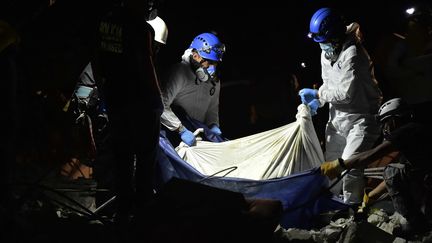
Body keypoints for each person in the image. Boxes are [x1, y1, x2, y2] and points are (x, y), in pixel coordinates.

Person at [299, 7, 383, 204]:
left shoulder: (353, 53)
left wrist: (318, 94)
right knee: (331, 167)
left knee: (350, 167)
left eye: (325, 41)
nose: (323, 46)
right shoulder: (327, 54)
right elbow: (329, 83)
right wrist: (318, 102)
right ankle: (336, 205)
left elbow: (346, 93)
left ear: (335, 36)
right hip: (337, 118)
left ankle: (352, 210)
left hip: (361, 119)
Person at [93, 0, 163, 227]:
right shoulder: (141, 28)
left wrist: (105, 92)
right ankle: (143, 214)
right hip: (140, 101)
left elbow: (96, 58)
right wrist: (156, 102)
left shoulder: (105, 21)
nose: (149, 7)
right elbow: (146, 66)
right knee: (145, 159)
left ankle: (122, 212)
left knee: (121, 158)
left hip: (115, 99)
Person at [320, 97, 432, 238]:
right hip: (426, 182)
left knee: (391, 170)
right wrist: (370, 197)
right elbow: (399, 174)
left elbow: (370, 155)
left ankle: (417, 224)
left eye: (386, 123)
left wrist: (340, 165)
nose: (385, 128)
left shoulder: (408, 130)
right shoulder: (413, 137)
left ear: (394, 119)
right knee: (396, 171)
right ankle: (421, 222)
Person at [160, 32, 225, 146]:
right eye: (209, 62)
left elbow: (212, 108)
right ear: (195, 56)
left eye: (215, 63)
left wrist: (213, 125)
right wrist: (180, 129)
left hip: (197, 134)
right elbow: (161, 105)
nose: (212, 68)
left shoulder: (213, 81)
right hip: (174, 134)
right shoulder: (179, 73)